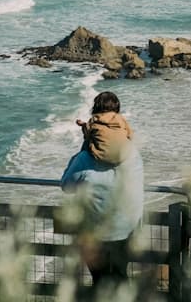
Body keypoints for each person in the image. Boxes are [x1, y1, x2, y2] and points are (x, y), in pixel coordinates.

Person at [61, 91, 144, 290]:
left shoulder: (85, 158)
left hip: (95, 232)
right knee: (120, 277)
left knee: (100, 283)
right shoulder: (133, 153)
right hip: (127, 228)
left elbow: (67, 186)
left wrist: (85, 143)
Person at [76, 91, 134, 165]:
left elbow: (87, 133)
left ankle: (80, 161)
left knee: (88, 140)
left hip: (101, 158)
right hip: (122, 157)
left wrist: (83, 125)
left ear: (96, 107)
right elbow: (130, 135)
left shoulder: (94, 119)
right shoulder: (121, 119)